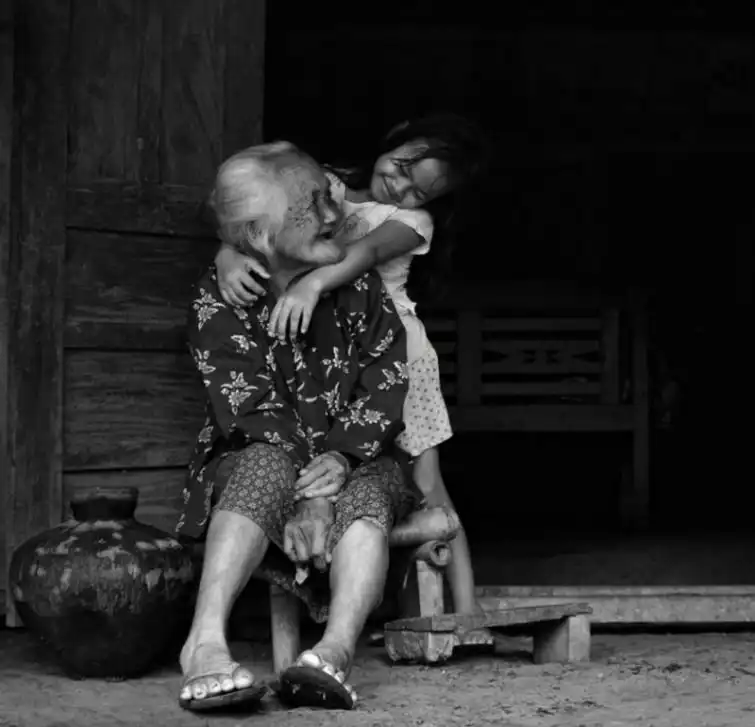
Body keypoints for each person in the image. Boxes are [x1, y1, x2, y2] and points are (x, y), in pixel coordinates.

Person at [213, 114, 493, 643]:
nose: (400, 186)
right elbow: (258, 221)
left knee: (427, 480)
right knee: (352, 467)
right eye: (402, 166)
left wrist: (311, 285)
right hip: (338, 356)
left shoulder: (412, 222)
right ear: (395, 137)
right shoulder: (328, 185)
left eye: (419, 190)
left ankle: (468, 606)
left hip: (396, 355)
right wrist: (227, 253)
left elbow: (358, 253)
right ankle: (368, 600)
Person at [176, 141, 419, 713]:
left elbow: (387, 379)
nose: (335, 214)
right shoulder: (219, 298)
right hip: (258, 453)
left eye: (329, 196)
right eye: (313, 205)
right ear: (259, 236)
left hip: (354, 456)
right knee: (262, 465)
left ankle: (334, 652)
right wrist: (310, 492)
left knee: (371, 490)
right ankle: (204, 643)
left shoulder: (357, 286)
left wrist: (340, 459)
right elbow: (249, 408)